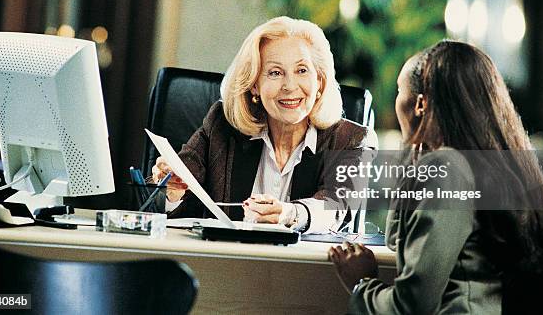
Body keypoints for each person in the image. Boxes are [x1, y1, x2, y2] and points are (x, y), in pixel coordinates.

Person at [329, 40, 543, 314]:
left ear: (420, 104)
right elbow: (398, 240)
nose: (396, 102)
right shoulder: (479, 164)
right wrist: (416, 150)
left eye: (399, 91)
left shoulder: (447, 167)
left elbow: (410, 305)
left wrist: (363, 283)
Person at [151, 16, 377, 233]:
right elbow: (180, 202)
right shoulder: (221, 124)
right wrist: (171, 191)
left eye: (301, 70)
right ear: (254, 86)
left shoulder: (353, 140)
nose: (289, 85)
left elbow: (335, 207)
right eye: (275, 72)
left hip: (308, 271)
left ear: (319, 81)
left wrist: (291, 214)